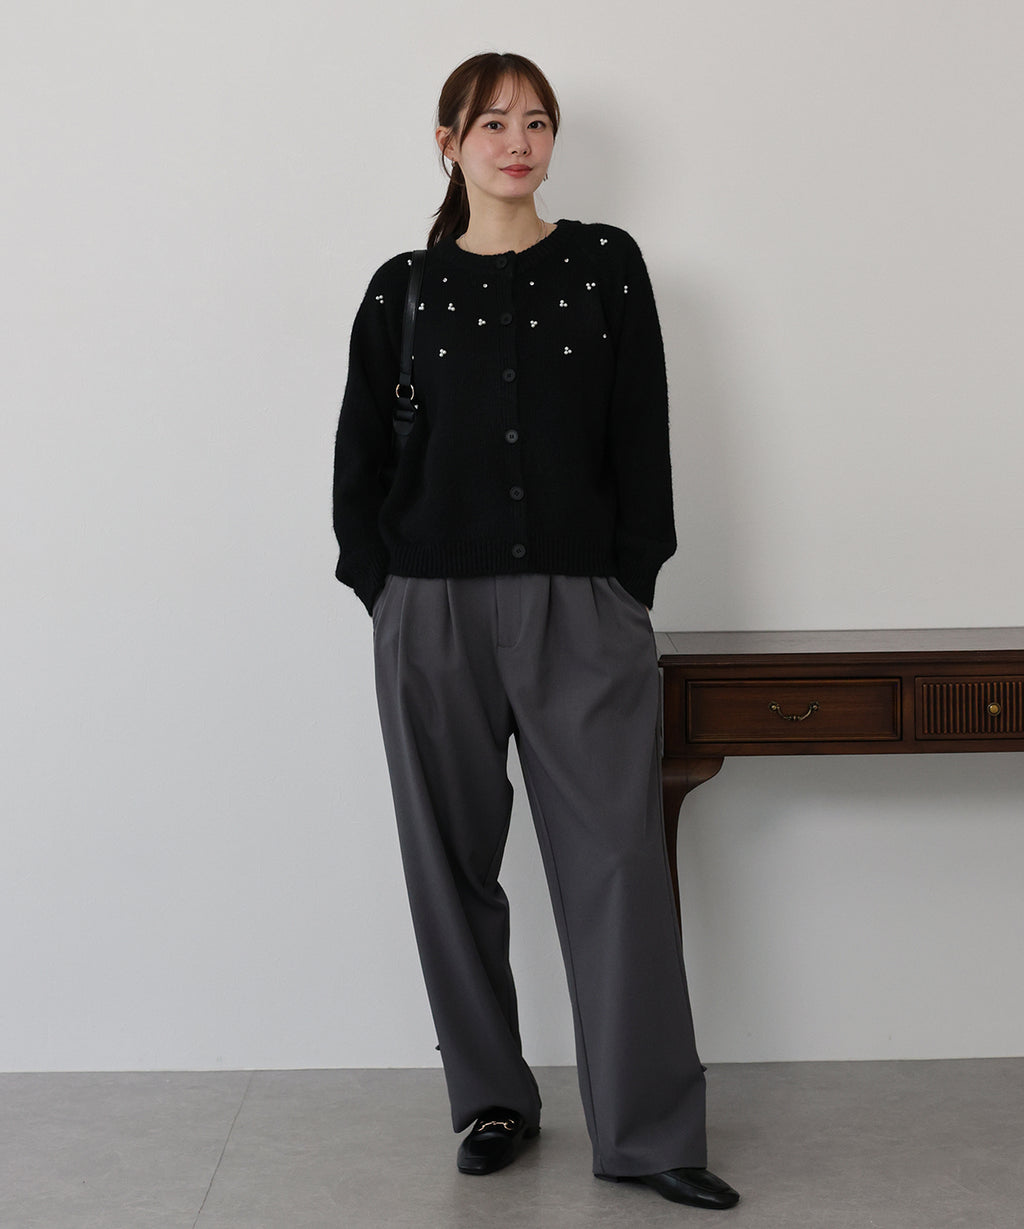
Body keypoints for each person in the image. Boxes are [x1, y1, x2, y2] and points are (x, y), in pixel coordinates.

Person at [332, 51, 739, 1212]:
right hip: (429, 610)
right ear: (449, 143)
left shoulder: (605, 266)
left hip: (582, 608)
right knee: (448, 862)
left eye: (537, 121)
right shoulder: (403, 289)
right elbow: (358, 461)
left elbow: (641, 434)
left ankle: (648, 1132)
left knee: (617, 864)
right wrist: (384, 587)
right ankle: (492, 1098)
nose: (518, 142)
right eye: (492, 123)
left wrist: (626, 587)